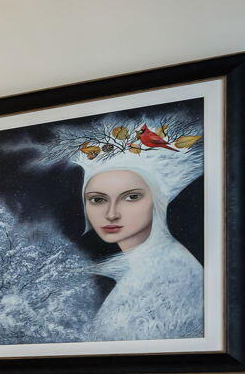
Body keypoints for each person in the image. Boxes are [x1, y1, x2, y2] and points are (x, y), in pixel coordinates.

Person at [74, 124, 205, 341]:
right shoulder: (147, 268)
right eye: (98, 200)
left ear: (158, 201)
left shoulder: (169, 276)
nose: (111, 214)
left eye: (131, 197)